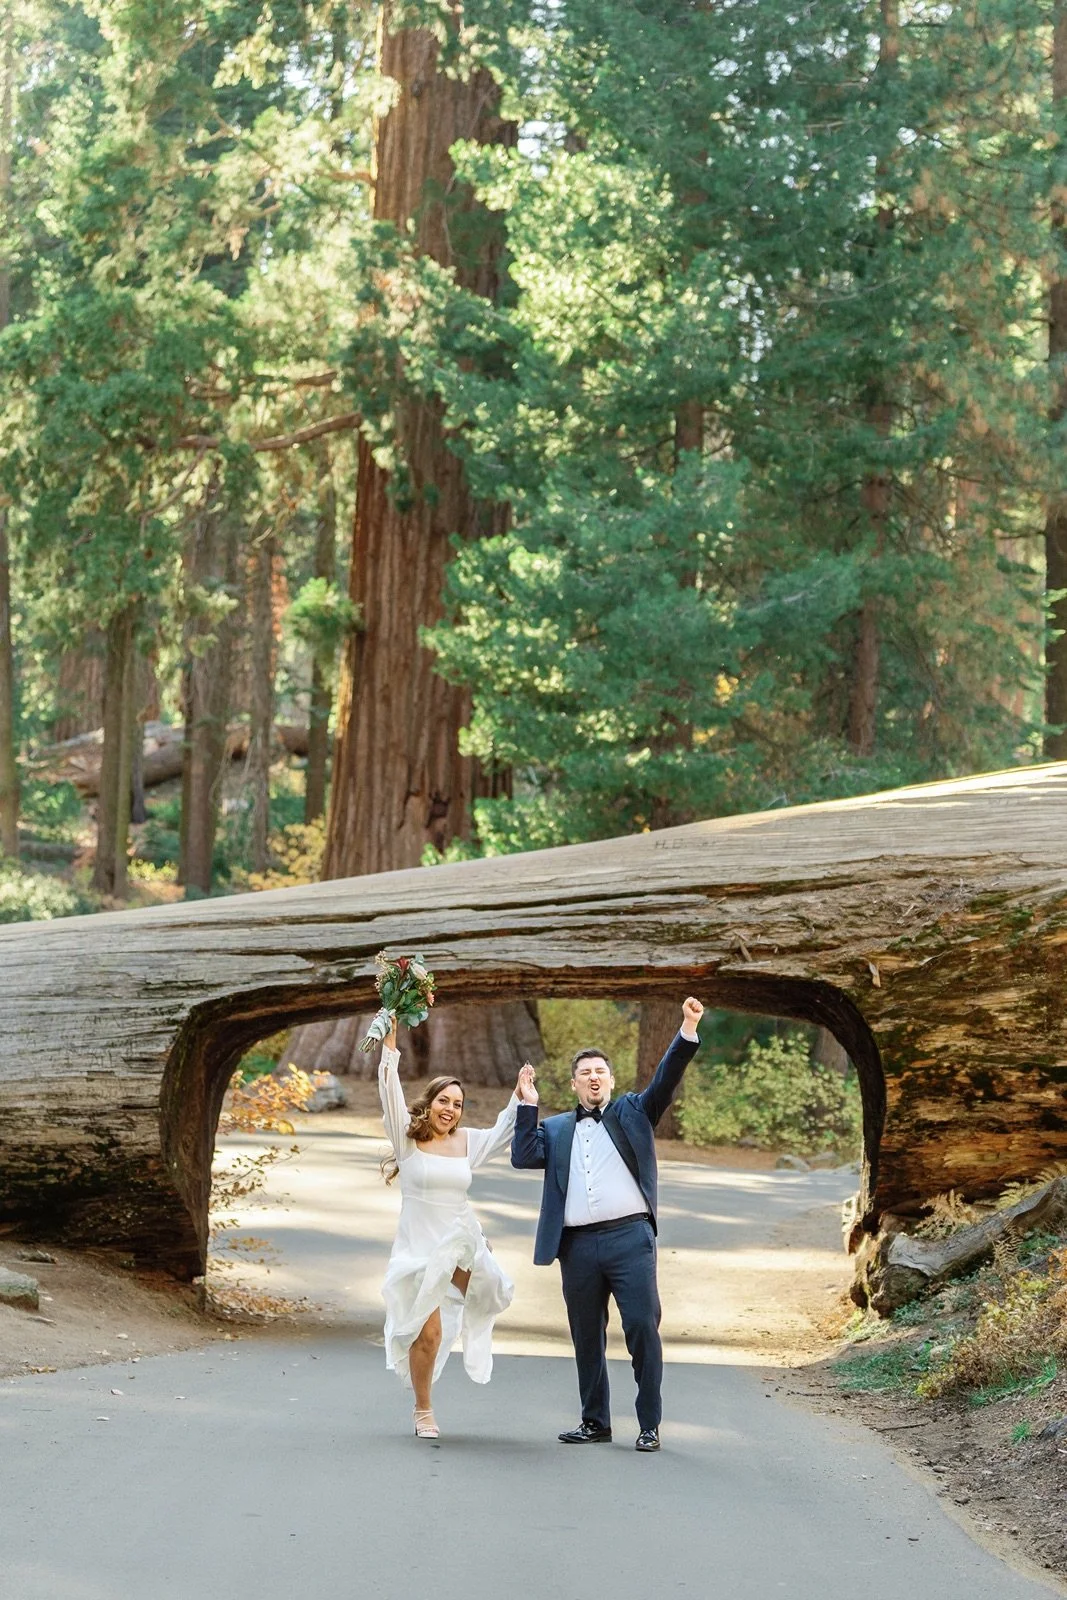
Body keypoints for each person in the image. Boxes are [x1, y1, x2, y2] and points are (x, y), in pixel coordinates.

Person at [511, 996, 704, 1452]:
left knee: (641, 1326)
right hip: (576, 1247)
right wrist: (528, 1106)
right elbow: (523, 1156)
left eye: (600, 1071)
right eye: (585, 1073)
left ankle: (649, 1424)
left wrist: (688, 1027)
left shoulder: (635, 1111)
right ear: (575, 1084)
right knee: (586, 1336)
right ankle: (595, 1421)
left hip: (629, 1240)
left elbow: (667, 1076)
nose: (593, 1077)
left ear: (611, 1080)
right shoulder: (557, 1129)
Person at [378, 1015, 524, 1439]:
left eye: (458, 1104)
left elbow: (502, 1134)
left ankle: (430, 1388)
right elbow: (388, 1093)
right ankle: (423, 1408)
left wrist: (518, 1096)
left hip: (460, 1244)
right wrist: (390, 1042)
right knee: (428, 1331)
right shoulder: (407, 1139)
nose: (451, 1109)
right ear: (430, 1103)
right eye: (445, 1100)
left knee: (453, 1319)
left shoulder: (466, 1143)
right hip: (418, 1250)